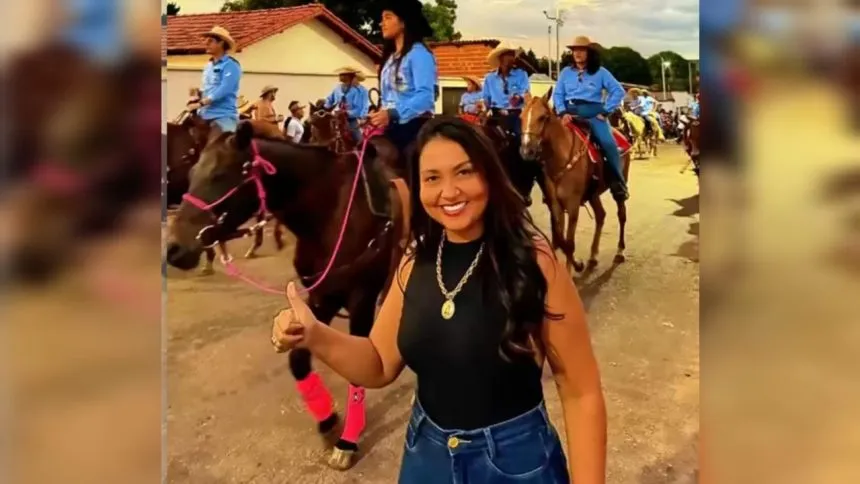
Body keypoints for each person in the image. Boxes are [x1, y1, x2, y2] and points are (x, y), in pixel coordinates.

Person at [271, 117, 606, 484]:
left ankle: (615, 179)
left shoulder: (536, 262)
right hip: (426, 455)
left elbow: (581, 393)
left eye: (464, 172)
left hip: (515, 460)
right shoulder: (415, 260)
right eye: (432, 178)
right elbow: (379, 363)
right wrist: (314, 334)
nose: (448, 192)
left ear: (489, 176)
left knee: (602, 141)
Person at [552, 35, 628, 201]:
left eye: (581, 50)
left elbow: (618, 91)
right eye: (574, 50)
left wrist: (606, 111)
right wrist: (562, 112)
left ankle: (618, 183)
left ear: (589, 53)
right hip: (569, 113)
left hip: (593, 114)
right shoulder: (565, 73)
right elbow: (558, 94)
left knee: (608, 144)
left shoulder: (601, 73)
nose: (577, 53)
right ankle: (547, 185)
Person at [368, 0, 437, 166]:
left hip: (414, 126)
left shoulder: (419, 55)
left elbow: (426, 97)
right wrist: (378, 115)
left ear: (404, 22)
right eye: (382, 18)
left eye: (388, 17)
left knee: (411, 160)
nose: (381, 23)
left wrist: (393, 113)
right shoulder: (390, 59)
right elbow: (388, 98)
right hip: (390, 127)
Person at [186, 26, 242, 133]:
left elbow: (225, 88)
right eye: (206, 40)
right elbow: (209, 89)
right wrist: (198, 94)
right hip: (203, 114)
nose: (206, 43)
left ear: (221, 43)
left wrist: (202, 103)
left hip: (222, 116)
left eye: (210, 41)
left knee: (225, 146)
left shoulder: (231, 65)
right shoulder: (208, 66)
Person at [482, 45, 531, 139]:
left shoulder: (521, 74)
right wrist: (483, 107)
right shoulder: (490, 78)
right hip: (496, 116)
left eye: (513, 55)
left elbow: (525, 92)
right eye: (509, 55)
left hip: (515, 115)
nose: (512, 58)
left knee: (521, 140)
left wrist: (518, 98)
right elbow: (486, 98)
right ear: (501, 58)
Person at [325, 66, 370, 143]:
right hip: (336, 118)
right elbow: (330, 100)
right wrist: (325, 107)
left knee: (358, 139)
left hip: (352, 119)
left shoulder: (360, 90)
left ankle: (362, 151)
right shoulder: (337, 88)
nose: (340, 76)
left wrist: (346, 113)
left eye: (343, 74)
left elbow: (360, 109)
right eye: (340, 74)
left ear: (351, 76)